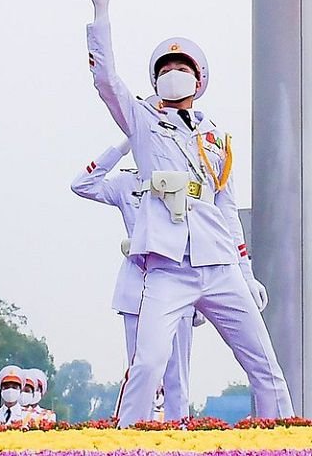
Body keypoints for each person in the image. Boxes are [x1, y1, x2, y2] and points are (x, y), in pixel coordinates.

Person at [83, 0, 292, 425]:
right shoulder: (141, 121)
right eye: (166, 69)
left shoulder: (217, 138)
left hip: (218, 263)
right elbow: (106, 81)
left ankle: (285, 440)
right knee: (149, 364)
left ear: (199, 82)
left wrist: (246, 269)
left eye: (182, 69)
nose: (173, 75)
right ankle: (130, 439)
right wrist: (101, 15)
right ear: (155, 81)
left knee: (265, 365)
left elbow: (226, 208)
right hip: (168, 266)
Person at [71, 137, 195, 420]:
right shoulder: (127, 184)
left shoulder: (187, 179)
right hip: (138, 280)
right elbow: (82, 185)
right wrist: (121, 147)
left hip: (179, 279)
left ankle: (181, 436)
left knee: (178, 377)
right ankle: (140, 434)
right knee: (141, 370)